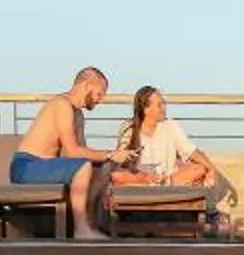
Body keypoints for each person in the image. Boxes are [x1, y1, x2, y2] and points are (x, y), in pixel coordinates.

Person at [12, 67, 128, 242]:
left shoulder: (78, 114)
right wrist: (110, 154)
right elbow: (72, 152)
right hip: (27, 166)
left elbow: (81, 154)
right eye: (100, 92)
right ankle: (81, 230)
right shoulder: (61, 104)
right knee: (84, 166)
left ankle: (92, 225)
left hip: (48, 167)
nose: (101, 99)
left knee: (101, 169)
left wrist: (111, 161)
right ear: (87, 84)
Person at [109, 86, 221, 189]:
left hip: (168, 179)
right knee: (116, 175)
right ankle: (151, 184)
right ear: (146, 109)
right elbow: (120, 161)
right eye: (159, 105)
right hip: (141, 179)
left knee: (200, 168)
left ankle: (163, 184)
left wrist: (211, 169)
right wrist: (145, 176)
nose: (164, 108)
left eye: (163, 104)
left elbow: (190, 150)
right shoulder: (129, 128)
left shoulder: (170, 125)